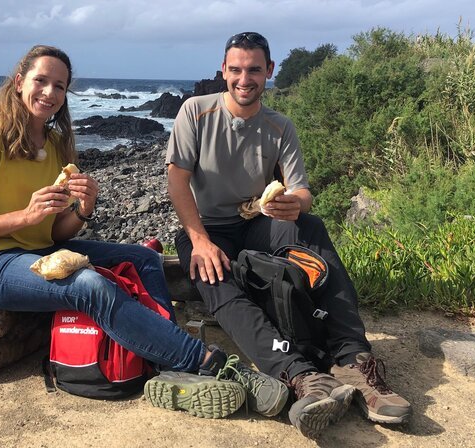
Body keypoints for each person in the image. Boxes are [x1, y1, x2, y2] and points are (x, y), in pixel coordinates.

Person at [0, 44, 287, 419]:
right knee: (88, 285)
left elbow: (57, 235)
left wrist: (83, 211)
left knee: (142, 258)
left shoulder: (56, 143)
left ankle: (166, 360)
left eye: (60, 86)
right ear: (19, 81)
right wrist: (25, 217)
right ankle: (211, 365)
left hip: (38, 251)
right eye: (41, 81)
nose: (50, 93)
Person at [165, 32, 412, 437]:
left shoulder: (279, 126)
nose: (245, 79)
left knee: (310, 226)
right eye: (236, 70)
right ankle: (300, 375)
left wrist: (295, 205)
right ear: (224, 71)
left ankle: (353, 360)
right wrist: (199, 240)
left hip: (258, 222)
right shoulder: (196, 111)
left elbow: (302, 192)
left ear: (270, 72)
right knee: (213, 276)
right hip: (208, 228)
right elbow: (177, 182)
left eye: (255, 70)